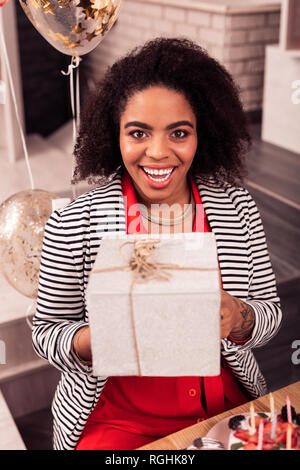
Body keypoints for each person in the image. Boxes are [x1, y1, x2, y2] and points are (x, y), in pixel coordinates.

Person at [32, 37, 282, 450]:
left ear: (202, 133)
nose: (158, 153)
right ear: (116, 135)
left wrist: (239, 317)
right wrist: (97, 338)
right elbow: (46, 334)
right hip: (115, 420)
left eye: (178, 132)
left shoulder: (237, 208)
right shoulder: (75, 220)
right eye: (138, 132)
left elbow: (269, 315)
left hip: (222, 407)